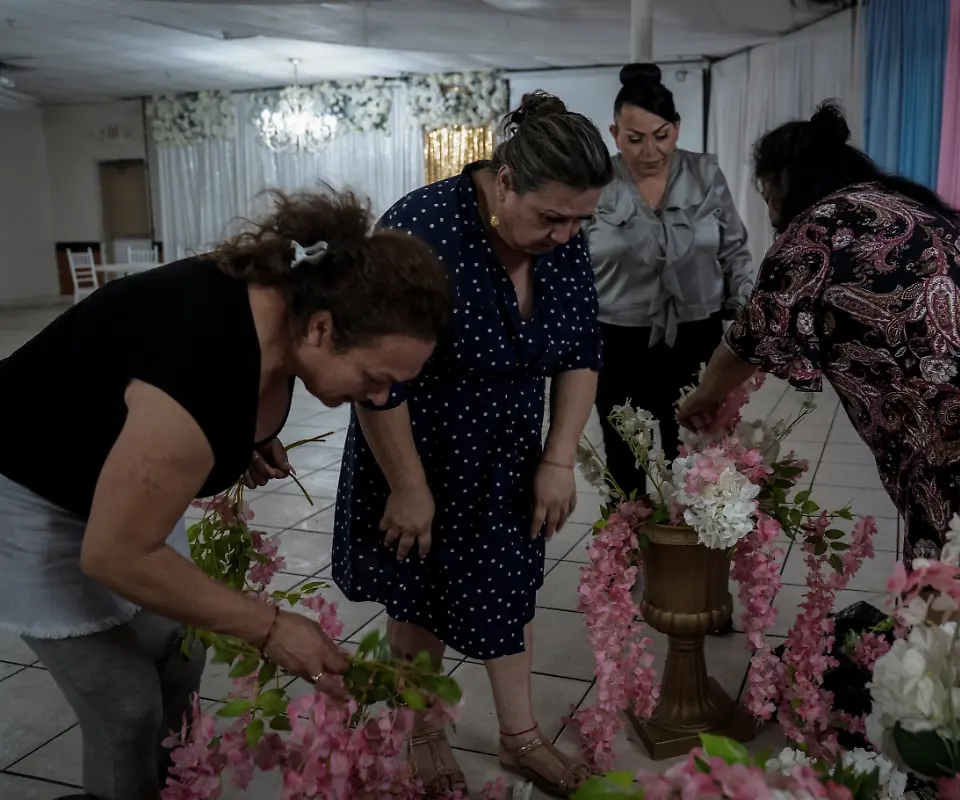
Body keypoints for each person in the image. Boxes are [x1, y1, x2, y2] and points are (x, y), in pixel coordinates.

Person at [0, 187, 452, 800]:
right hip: (27, 493)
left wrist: (242, 440)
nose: (378, 400)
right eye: (374, 379)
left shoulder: (285, 310)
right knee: (127, 709)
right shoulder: (201, 359)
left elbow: (192, 420)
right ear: (322, 328)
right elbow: (117, 552)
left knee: (180, 655)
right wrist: (268, 626)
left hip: (106, 484)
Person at [678, 102, 960, 569]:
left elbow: (749, 339)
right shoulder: (901, 206)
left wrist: (703, 397)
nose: (769, 209)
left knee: (945, 599)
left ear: (782, 182)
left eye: (765, 192)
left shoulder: (812, 235)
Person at [332, 92, 610, 797]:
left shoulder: (564, 236)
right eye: (552, 217)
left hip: (508, 448)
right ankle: (423, 731)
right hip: (416, 442)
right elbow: (377, 377)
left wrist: (558, 458)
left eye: (583, 219)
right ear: (505, 178)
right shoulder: (421, 227)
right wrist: (408, 487)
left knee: (506, 591)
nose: (567, 236)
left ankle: (520, 739)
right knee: (418, 593)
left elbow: (581, 347)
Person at [586, 63, 755, 496]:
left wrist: (749, 327)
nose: (650, 150)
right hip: (619, 340)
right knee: (626, 460)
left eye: (661, 135)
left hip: (697, 337)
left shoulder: (704, 175)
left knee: (698, 460)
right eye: (635, 138)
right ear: (614, 133)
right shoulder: (596, 185)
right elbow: (572, 264)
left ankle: (689, 562)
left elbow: (734, 249)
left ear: (676, 128)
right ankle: (626, 560)